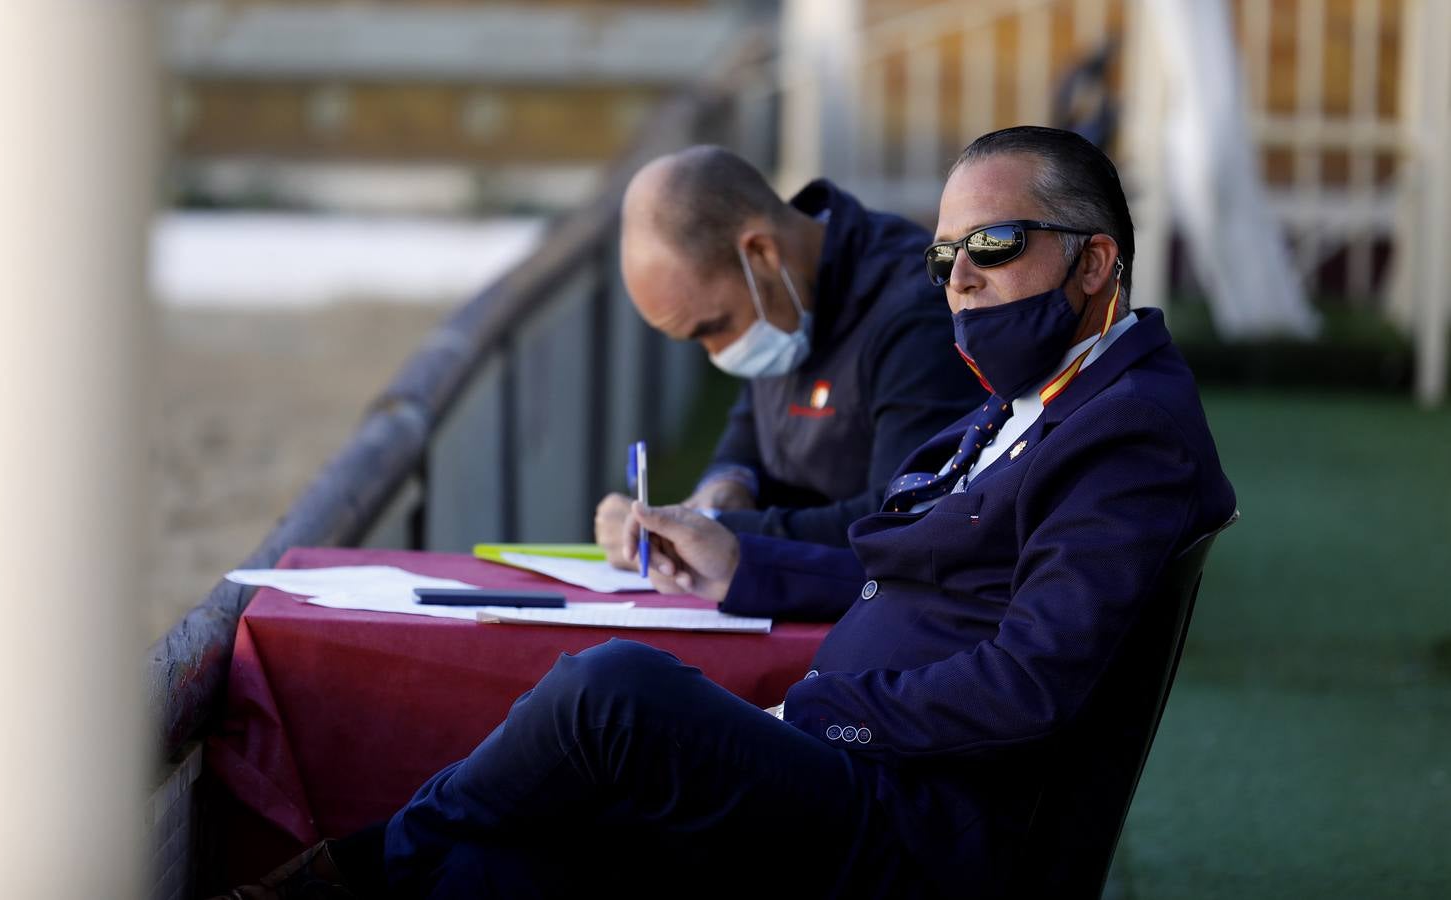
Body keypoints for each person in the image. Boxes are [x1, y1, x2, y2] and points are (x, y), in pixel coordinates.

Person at [217, 126, 1235, 900]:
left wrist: (819, 711)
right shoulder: (1037, 403)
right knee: (497, 865)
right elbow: (891, 562)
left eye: (995, 247)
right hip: (860, 770)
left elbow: (1031, 683)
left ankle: (331, 877)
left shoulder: (1126, 431)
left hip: (920, 820)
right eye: (944, 259)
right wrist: (739, 558)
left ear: (1094, 264)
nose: (959, 283)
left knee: (609, 691)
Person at [593, 146, 985, 563]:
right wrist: (725, 488)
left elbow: (900, 518)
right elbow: (748, 437)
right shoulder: (786, 298)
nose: (717, 353)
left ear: (761, 252)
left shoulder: (915, 315)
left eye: (714, 327)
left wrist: (715, 534)